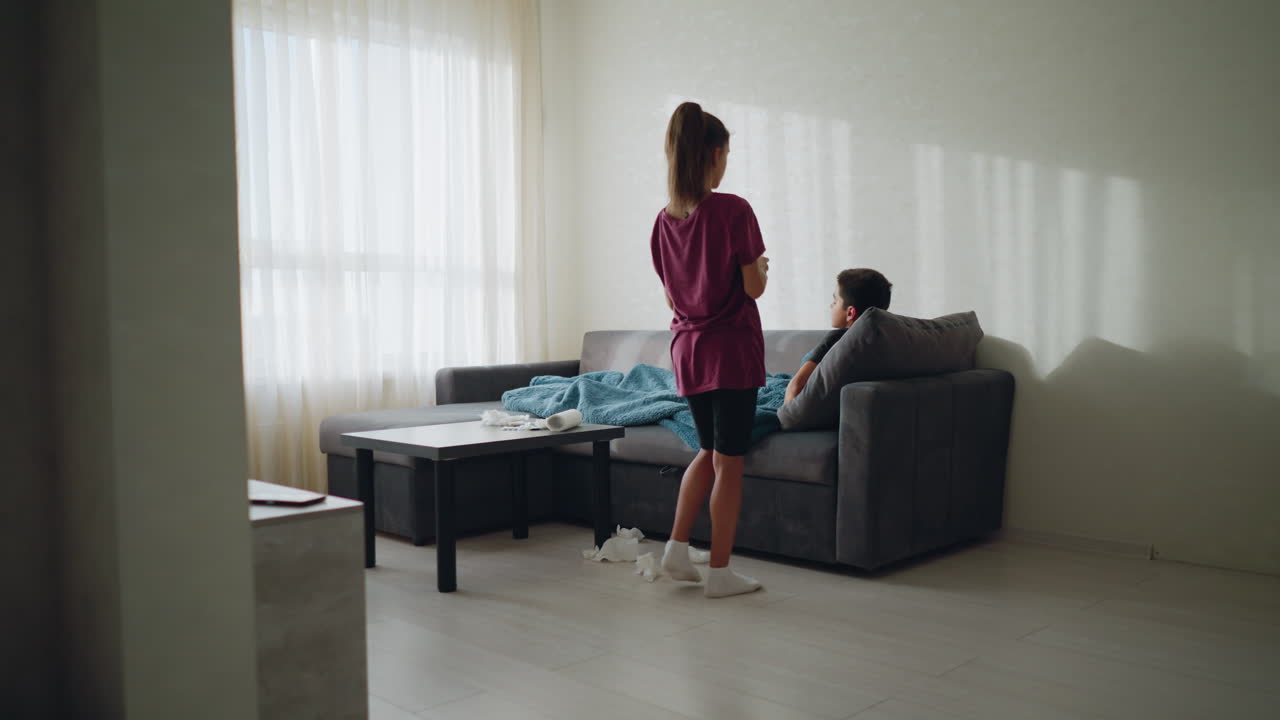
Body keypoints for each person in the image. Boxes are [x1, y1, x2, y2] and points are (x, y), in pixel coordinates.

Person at [650, 101, 769, 598]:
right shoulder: (733, 210)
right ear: (715, 154)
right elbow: (754, 287)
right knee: (730, 462)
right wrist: (762, 267)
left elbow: (674, 295)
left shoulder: (663, 221)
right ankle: (720, 573)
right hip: (731, 350)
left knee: (708, 450)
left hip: (688, 350)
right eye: (727, 155)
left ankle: (677, 549)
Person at [782, 268, 893, 404]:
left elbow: (796, 387)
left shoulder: (838, 339)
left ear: (850, 313)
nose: (831, 306)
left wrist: (784, 416)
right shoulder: (885, 340)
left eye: (835, 302)